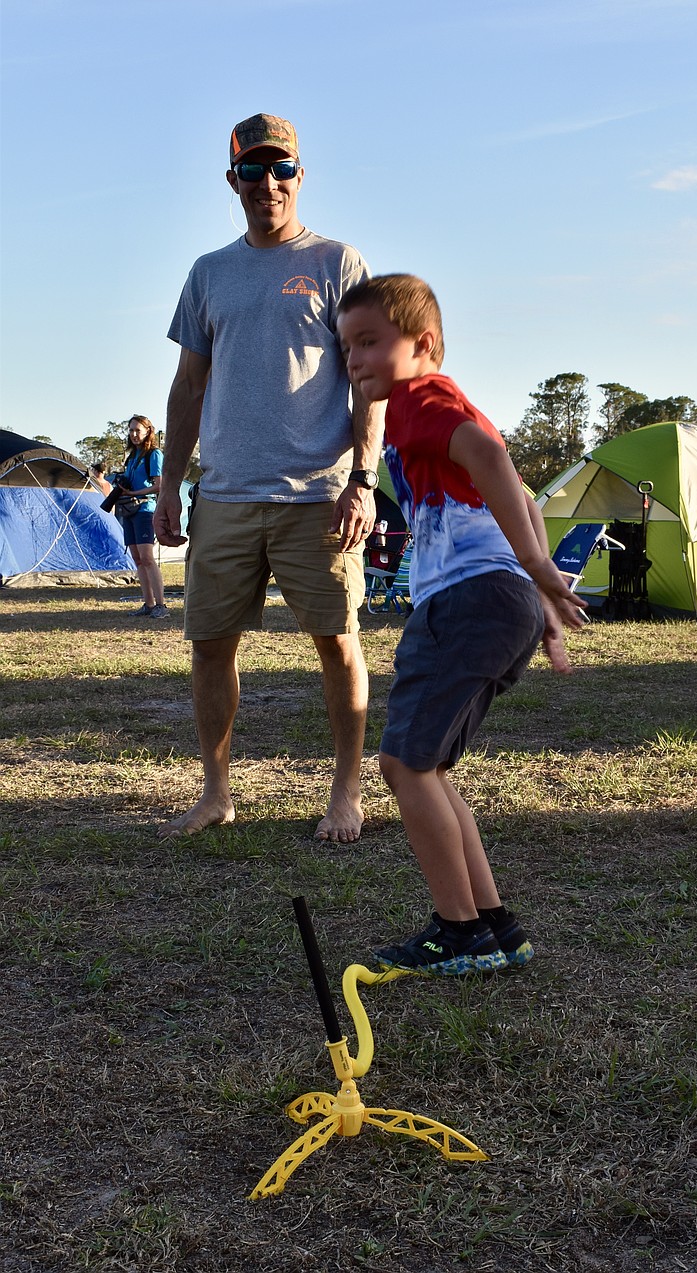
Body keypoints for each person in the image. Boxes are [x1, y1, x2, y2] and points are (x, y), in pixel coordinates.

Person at [336, 274, 589, 976]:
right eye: (346, 347)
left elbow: (488, 455)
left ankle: (458, 933)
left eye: (369, 343)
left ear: (425, 345)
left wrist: (537, 569)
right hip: (493, 601)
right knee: (432, 768)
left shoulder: (420, 398)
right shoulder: (430, 402)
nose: (354, 359)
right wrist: (539, 605)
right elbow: (527, 498)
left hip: (467, 600)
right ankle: (492, 924)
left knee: (404, 765)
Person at [153, 113, 384, 843]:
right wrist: (168, 486)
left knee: (336, 640)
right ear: (233, 181)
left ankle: (346, 791)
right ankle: (216, 791)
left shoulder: (337, 263)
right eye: (252, 171)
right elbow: (188, 387)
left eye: (281, 169)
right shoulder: (208, 273)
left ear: (300, 176)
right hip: (222, 495)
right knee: (210, 645)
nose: (268, 183)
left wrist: (364, 480)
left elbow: (369, 383)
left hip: (318, 497)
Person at [114, 415, 168, 619]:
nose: (134, 434)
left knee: (147, 558)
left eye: (138, 430)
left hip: (145, 509)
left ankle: (161, 605)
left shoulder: (153, 454)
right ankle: (148, 603)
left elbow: (159, 485)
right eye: (131, 430)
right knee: (137, 559)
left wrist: (134, 494)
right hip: (128, 510)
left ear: (148, 431)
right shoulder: (132, 456)